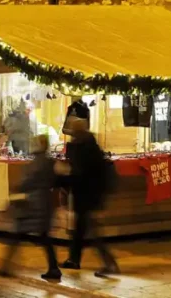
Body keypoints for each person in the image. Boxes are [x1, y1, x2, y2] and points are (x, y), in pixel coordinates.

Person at [0, 135, 61, 282]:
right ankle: (53, 268)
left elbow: (26, 182)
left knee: (18, 234)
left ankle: (6, 267)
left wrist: (14, 193)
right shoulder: (50, 162)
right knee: (44, 237)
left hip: (31, 204)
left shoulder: (35, 163)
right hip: (45, 203)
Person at [60, 117, 119, 277]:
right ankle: (74, 259)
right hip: (88, 195)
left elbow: (81, 174)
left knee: (93, 232)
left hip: (88, 196)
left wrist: (62, 179)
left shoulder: (84, 148)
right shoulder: (88, 145)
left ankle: (110, 264)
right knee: (80, 230)